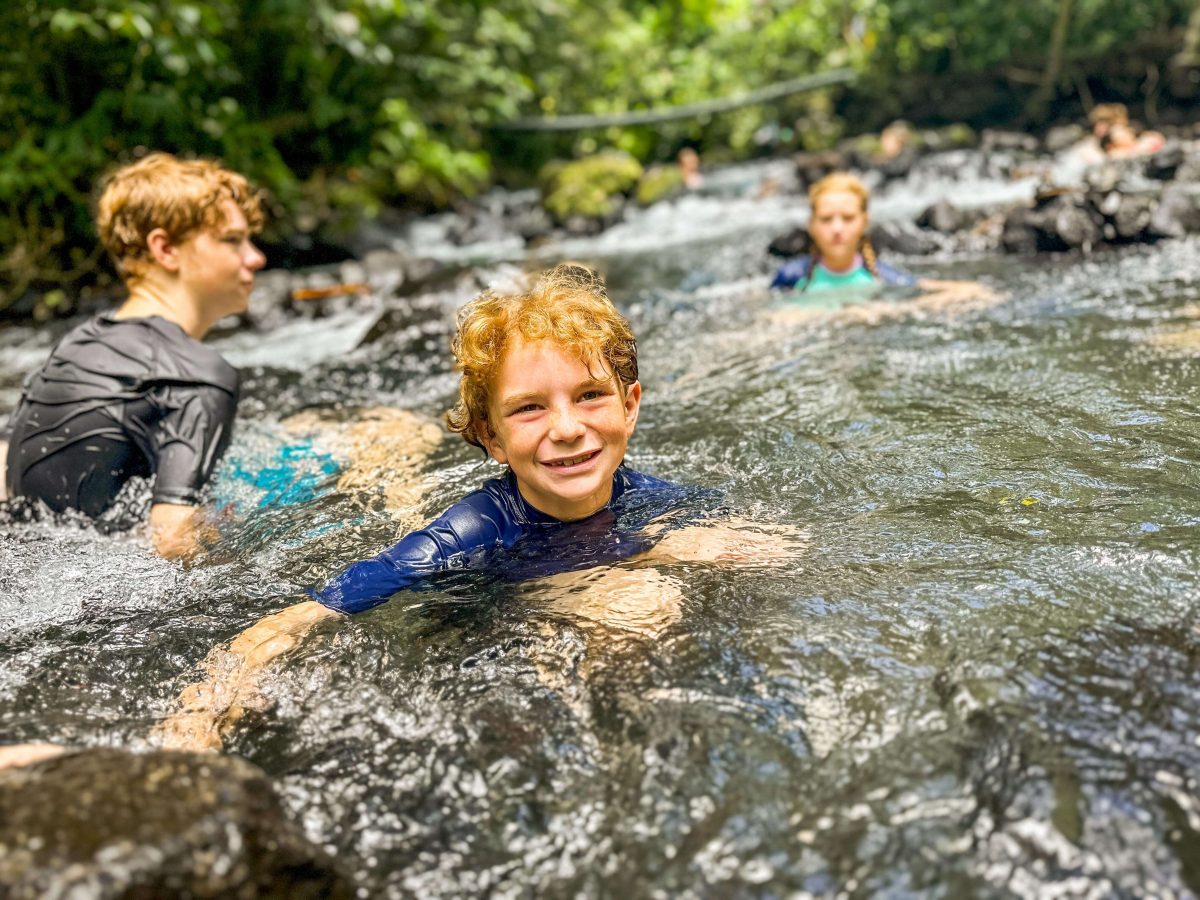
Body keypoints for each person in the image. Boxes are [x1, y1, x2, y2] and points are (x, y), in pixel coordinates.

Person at [156, 264, 799, 750]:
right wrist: (204, 709)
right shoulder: (470, 531)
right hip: (483, 633)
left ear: (630, 404)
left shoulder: (660, 500)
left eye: (590, 396)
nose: (568, 427)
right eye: (529, 407)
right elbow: (309, 614)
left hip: (590, 624)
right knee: (640, 602)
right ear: (490, 437)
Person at [1, 153, 266, 558]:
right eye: (232, 240)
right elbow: (174, 541)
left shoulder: (75, 345)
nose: (255, 257)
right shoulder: (197, 375)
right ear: (165, 249)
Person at [770, 172, 917, 297]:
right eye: (826, 219)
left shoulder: (887, 278)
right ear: (811, 225)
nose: (837, 228)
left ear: (865, 223)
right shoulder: (790, 276)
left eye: (848, 218)